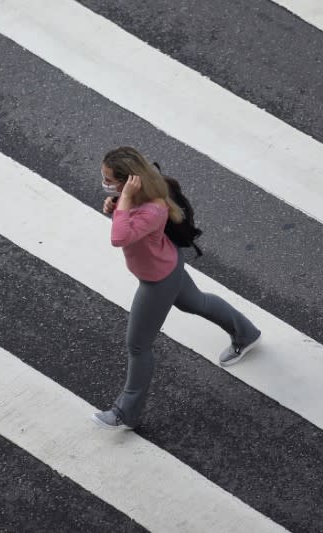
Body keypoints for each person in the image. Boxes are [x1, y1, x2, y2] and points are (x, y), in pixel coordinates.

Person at [92, 146, 262, 430]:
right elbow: (128, 222)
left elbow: (120, 237)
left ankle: (125, 413)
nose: (105, 183)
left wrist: (121, 206)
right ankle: (246, 333)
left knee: (138, 346)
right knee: (195, 302)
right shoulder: (141, 191)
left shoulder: (153, 208)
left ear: (129, 180)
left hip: (157, 279)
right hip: (168, 264)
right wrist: (117, 203)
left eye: (109, 179)